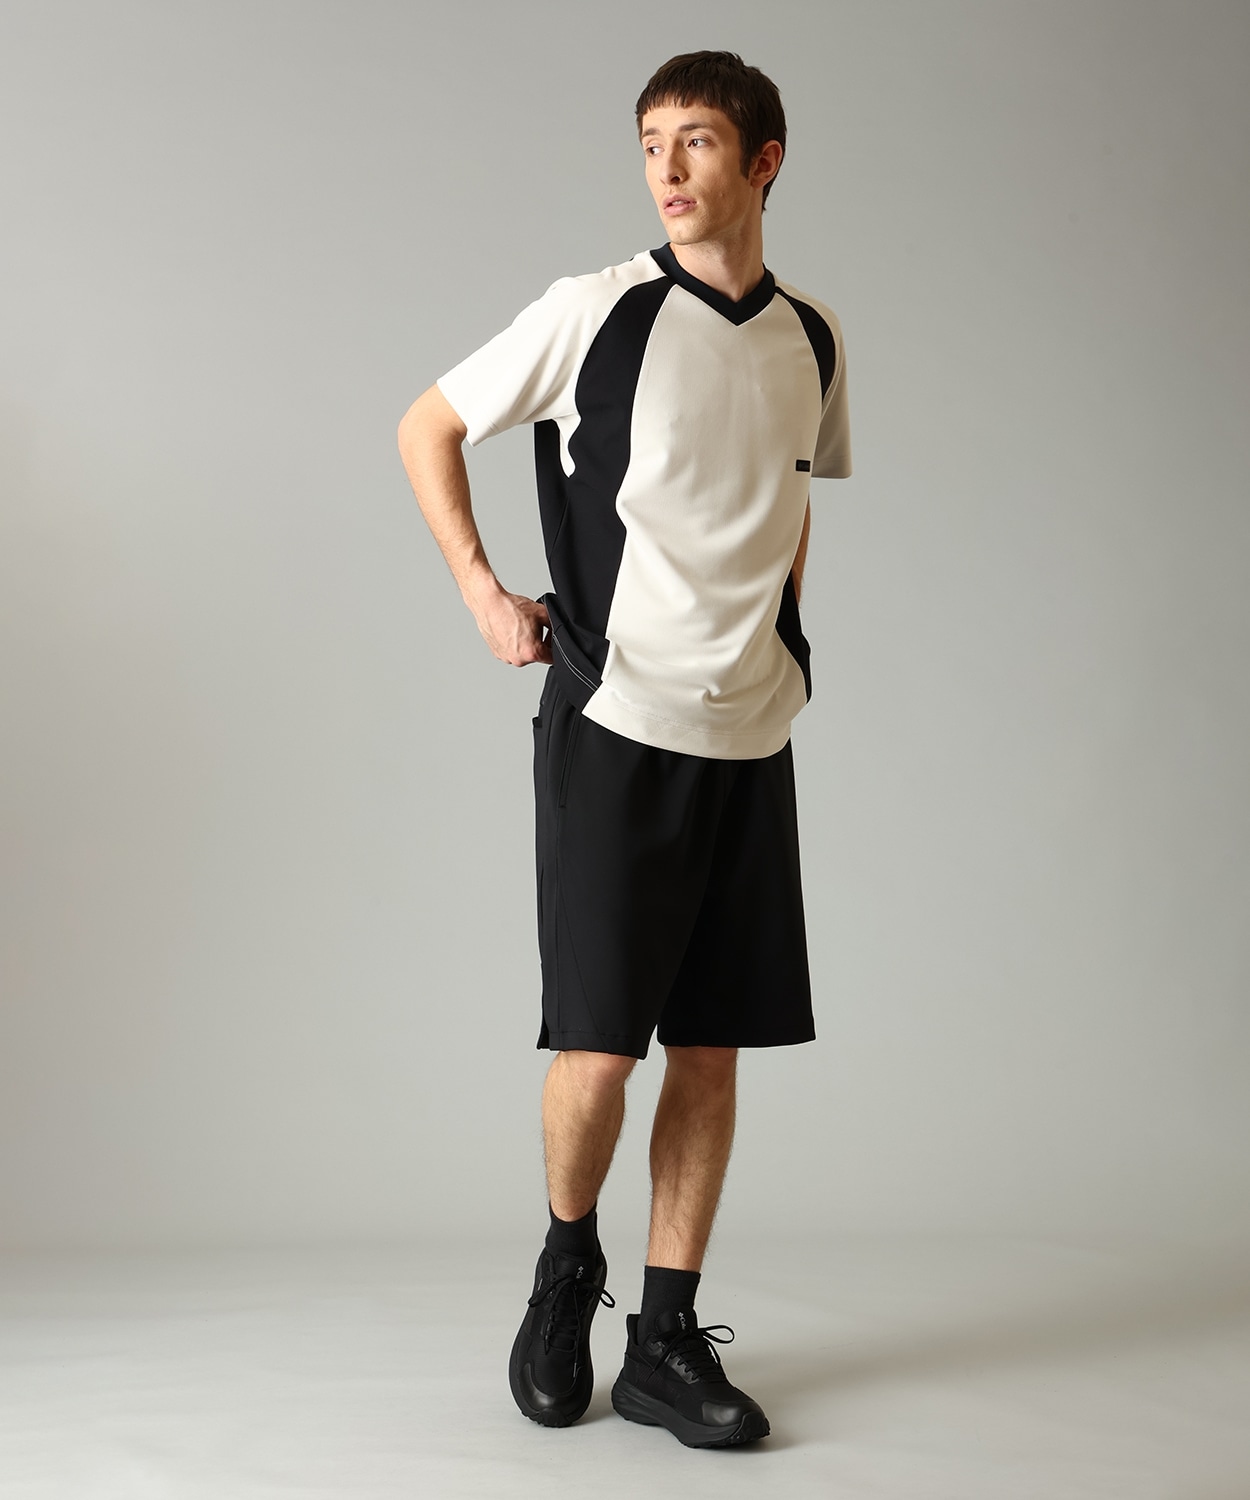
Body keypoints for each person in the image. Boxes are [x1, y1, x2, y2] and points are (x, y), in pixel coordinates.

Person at [397, 50, 851, 1449]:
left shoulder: (814, 337)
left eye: (696, 140)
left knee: (710, 1049)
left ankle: (663, 1338)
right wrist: (486, 593)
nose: (666, 168)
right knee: (601, 1051)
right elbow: (428, 425)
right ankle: (564, 1273)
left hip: (749, 734)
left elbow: (787, 493)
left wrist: (784, 637)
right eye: (651, 142)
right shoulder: (594, 313)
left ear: (763, 161)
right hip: (613, 726)